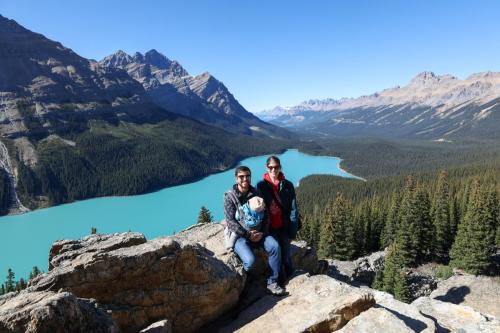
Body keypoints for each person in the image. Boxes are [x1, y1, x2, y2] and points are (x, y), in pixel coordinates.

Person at [223, 165, 286, 296]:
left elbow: (266, 215)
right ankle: (246, 281)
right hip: (240, 235)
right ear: (236, 178)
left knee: (274, 246)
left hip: (259, 232)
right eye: (241, 176)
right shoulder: (230, 197)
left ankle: (272, 282)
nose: (245, 179)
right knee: (250, 262)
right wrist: (247, 234)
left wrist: (262, 231)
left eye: (247, 176)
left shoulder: (256, 192)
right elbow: (230, 222)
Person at [257, 156, 299, 284]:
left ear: (280, 167)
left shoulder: (288, 185)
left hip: (284, 226)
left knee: (286, 256)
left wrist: (292, 231)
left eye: (276, 167)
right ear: (267, 168)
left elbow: (293, 209)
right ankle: (278, 281)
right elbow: (258, 208)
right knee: (276, 254)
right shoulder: (261, 186)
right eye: (271, 167)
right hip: (270, 228)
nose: (273, 170)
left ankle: (291, 280)